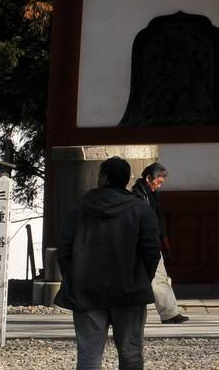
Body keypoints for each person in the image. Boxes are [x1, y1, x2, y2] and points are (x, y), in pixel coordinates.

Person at [59, 156, 161, 370]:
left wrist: (72, 276)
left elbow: (64, 250)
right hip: (130, 290)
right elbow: (152, 252)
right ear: (125, 180)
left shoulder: (78, 208)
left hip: (86, 288)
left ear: (103, 177)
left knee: (89, 354)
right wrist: (142, 278)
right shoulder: (141, 210)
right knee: (131, 353)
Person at [132, 162, 189, 325]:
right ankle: (169, 313)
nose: (159, 185)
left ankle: (169, 312)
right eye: (158, 182)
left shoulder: (149, 194)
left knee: (157, 278)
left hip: (150, 242)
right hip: (146, 243)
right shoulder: (138, 196)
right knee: (158, 278)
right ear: (149, 178)